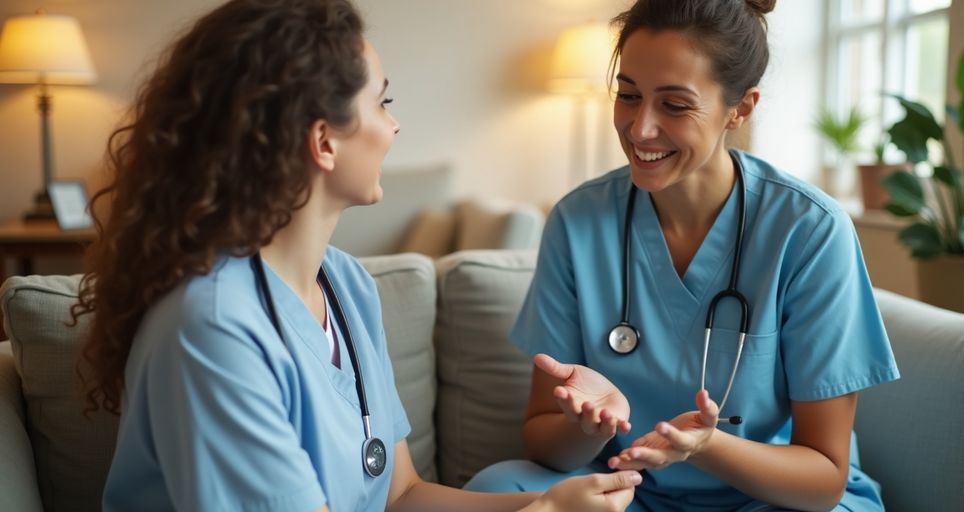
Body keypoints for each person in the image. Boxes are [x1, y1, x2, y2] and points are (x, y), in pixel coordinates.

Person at [73, 1, 642, 510]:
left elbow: (401, 494)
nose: (394, 125)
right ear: (324, 141)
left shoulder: (345, 283)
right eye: (382, 102)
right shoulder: (212, 326)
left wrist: (548, 503)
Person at [464, 0, 900, 510]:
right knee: (498, 487)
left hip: (770, 499)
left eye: (674, 105)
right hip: (629, 491)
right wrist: (587, 429)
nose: (640, 128)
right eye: (629, 96)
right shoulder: (577, 221)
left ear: (741, 108)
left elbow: (823, 479)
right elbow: (542, 443)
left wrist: (705, 446)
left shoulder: (809, 230)